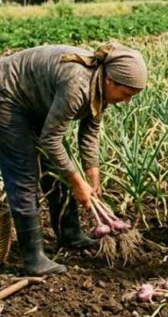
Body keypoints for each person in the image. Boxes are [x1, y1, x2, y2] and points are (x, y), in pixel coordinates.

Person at [0, 43, 147, 275]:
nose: (128, 101)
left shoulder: (100, 86)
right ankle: (33, 259)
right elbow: (51, 140)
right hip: (7, 96)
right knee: (25, 174)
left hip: (33, 102)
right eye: (127, 94)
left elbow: (89, 133)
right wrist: (78, 183)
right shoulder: (78, 85)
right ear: (110, 81)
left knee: (57, 168)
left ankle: (70, 234)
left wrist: (93, 177)